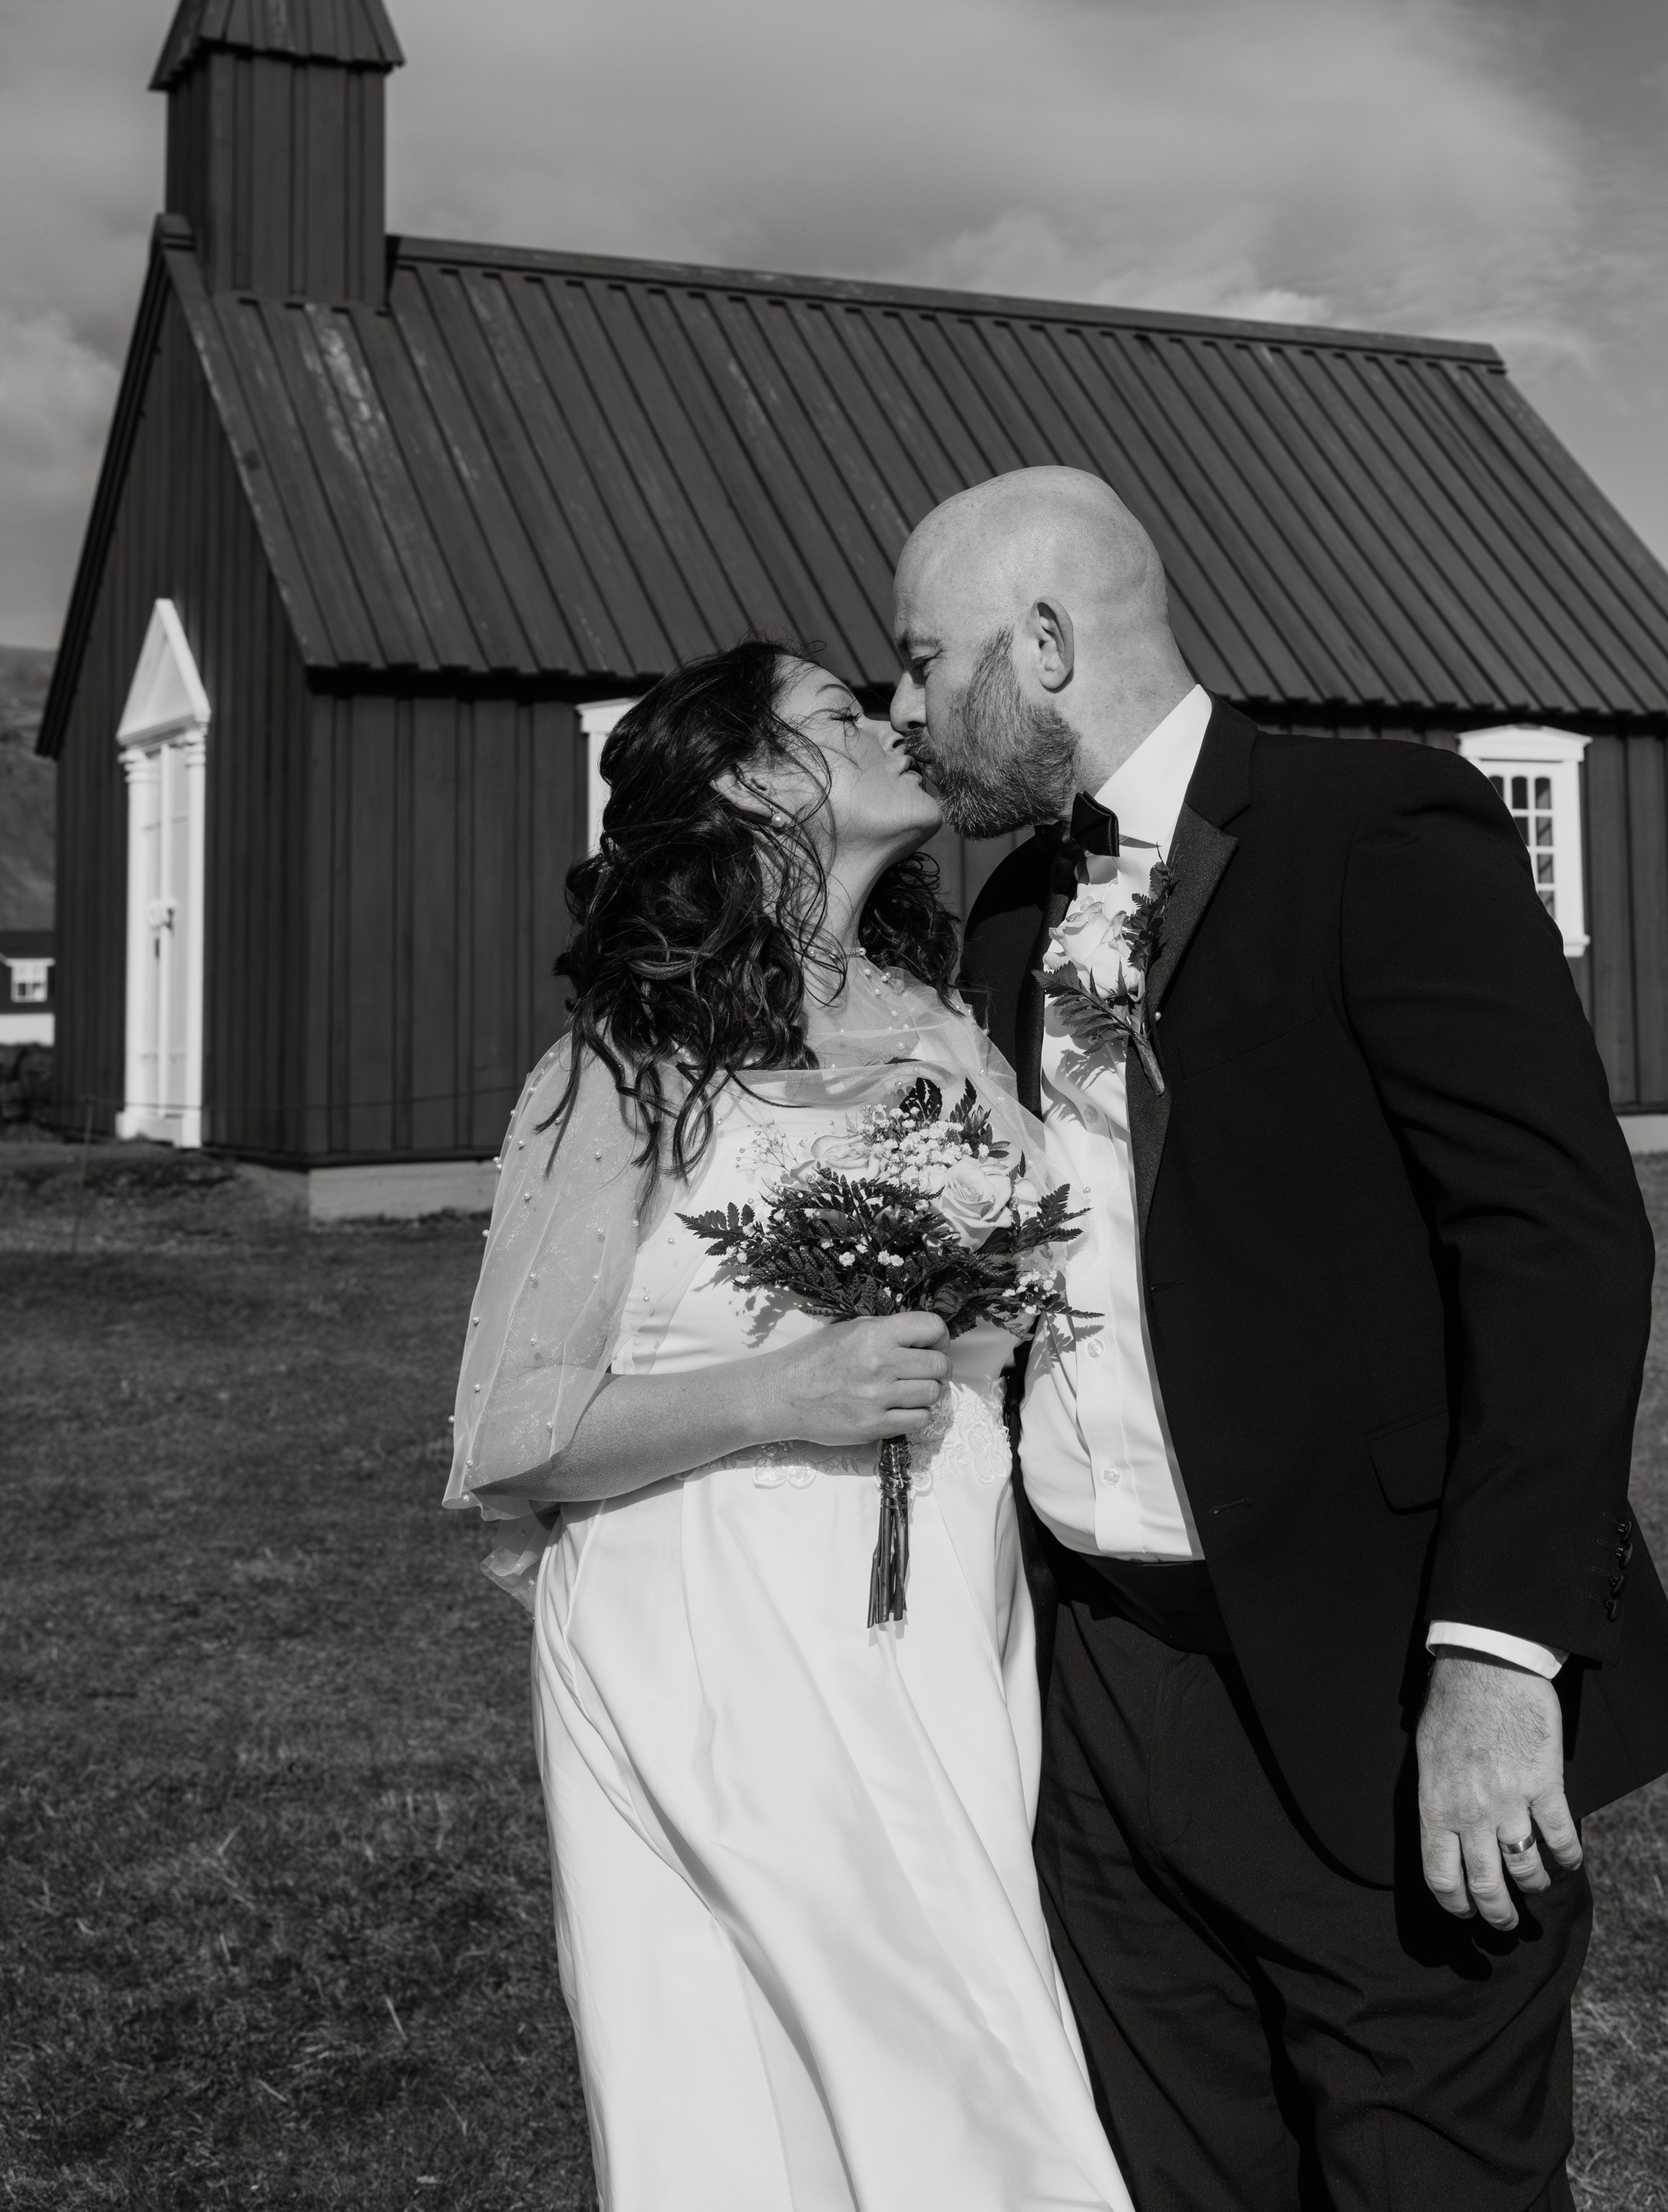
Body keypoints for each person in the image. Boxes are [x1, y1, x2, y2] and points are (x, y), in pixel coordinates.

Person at [889, 467, 1668, 2212]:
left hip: (1375, 1668)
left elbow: (1557, 1244)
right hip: (1100, 1684)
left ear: (1039, 643)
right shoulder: (1009, 919)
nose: (902, 712)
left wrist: (1497, 1662)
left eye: (918, 663)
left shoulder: (1376, 831)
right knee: (1177, 2175)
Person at [444, 642, 1133, 2212]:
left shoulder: (952, 1031)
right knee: (860, 2058)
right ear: (750, 781)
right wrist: (783, 1392)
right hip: (712, 1615)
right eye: (840, 710)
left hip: (946, 1600)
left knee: (961, 1989)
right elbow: (510, 1430)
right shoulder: (628, 1067)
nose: (897, 721)